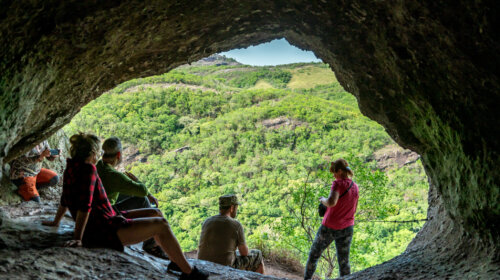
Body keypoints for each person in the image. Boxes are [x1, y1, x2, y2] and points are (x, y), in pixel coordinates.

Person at [41, 133, 208, 280]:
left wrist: (57, 222)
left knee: (155, 212)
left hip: (104, 218)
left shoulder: (72, 167)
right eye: (98, 153)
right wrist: (78, 238)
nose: (98, 156)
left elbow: (66, 198)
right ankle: (189, 273)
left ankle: (176, 262)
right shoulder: (89, 170)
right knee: (161, 225)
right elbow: (85, 207)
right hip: (102, 229)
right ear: (92, 154)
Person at [96, 136, 164, 258]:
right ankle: (151, 244)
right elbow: (142, 191)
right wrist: (137, 181)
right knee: (142, 200)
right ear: (118, 154)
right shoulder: (114, 175)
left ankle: (152, 242)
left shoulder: (99, 165)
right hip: (107, 214)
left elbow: (125, 187)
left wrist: (149, 194)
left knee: (132, 193)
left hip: (98, 208)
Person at [304, 158, 359, 279]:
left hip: (330, 227)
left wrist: (322, 200)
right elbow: (354, 207)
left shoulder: (337, 184)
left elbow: (331, 202)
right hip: (348, 227)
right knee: (344, 262)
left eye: (334, 172)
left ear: (339, 171)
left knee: (314, 255)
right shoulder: (355, 186)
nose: (333, 175)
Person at [198, 194, 265, 274]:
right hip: (224, 267)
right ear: (232, 208)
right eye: (236, 207)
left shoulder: (207, 221)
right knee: (258, 255)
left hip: (202, 264)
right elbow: (244, 253)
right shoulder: (235, 224)